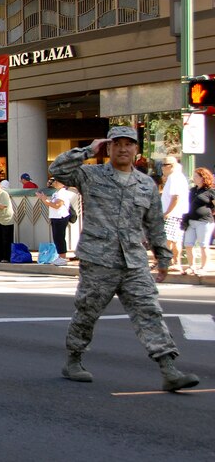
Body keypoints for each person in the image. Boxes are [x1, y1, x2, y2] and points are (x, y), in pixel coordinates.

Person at [50, 126, 200, 392]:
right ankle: (73, 360)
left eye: (128, 144)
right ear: (107, 148)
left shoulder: (145, 184)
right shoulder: (90, 174)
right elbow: (58, 170)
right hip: (98, 260)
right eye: (116, 144)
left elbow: (154, 223)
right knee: (87, 313)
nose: (122, 148)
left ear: (136, 150)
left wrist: (163, 257)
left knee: (149, 312)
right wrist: (87, 150)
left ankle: (169, 369)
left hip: (134, 261)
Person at [182, 167, 215, 275]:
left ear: (203, 178)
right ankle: (191, 266)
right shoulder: (192, 190)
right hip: (191, 221)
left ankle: (203, 267)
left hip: (204, 221)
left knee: (203, 245)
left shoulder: (210, 191)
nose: (194, 178)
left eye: (196, 176)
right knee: (188, 244)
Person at [159, 156, 189, 271]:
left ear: (170, 166)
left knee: (168, 239)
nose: (162, 167)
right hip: (176, 214)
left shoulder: (174, 177)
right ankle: (175, 262)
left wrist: (167, 212)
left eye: (164, 165)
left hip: (172, 214)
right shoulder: (177, 177)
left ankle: (172, 262)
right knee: (175, 239)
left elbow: (175, 197)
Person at [37, 178, 74, 258]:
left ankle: (62, 257)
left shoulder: (63, 193)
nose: (55, 182)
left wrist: (45, 199)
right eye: (54, 181)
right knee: (57, 238)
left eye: (57, 181)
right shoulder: (57, 193)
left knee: (59, 238)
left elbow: (57, 205)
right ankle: (60, 256)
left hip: (60, 217)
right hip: (55, 217)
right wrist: (44, 199)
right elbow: (52, 204)